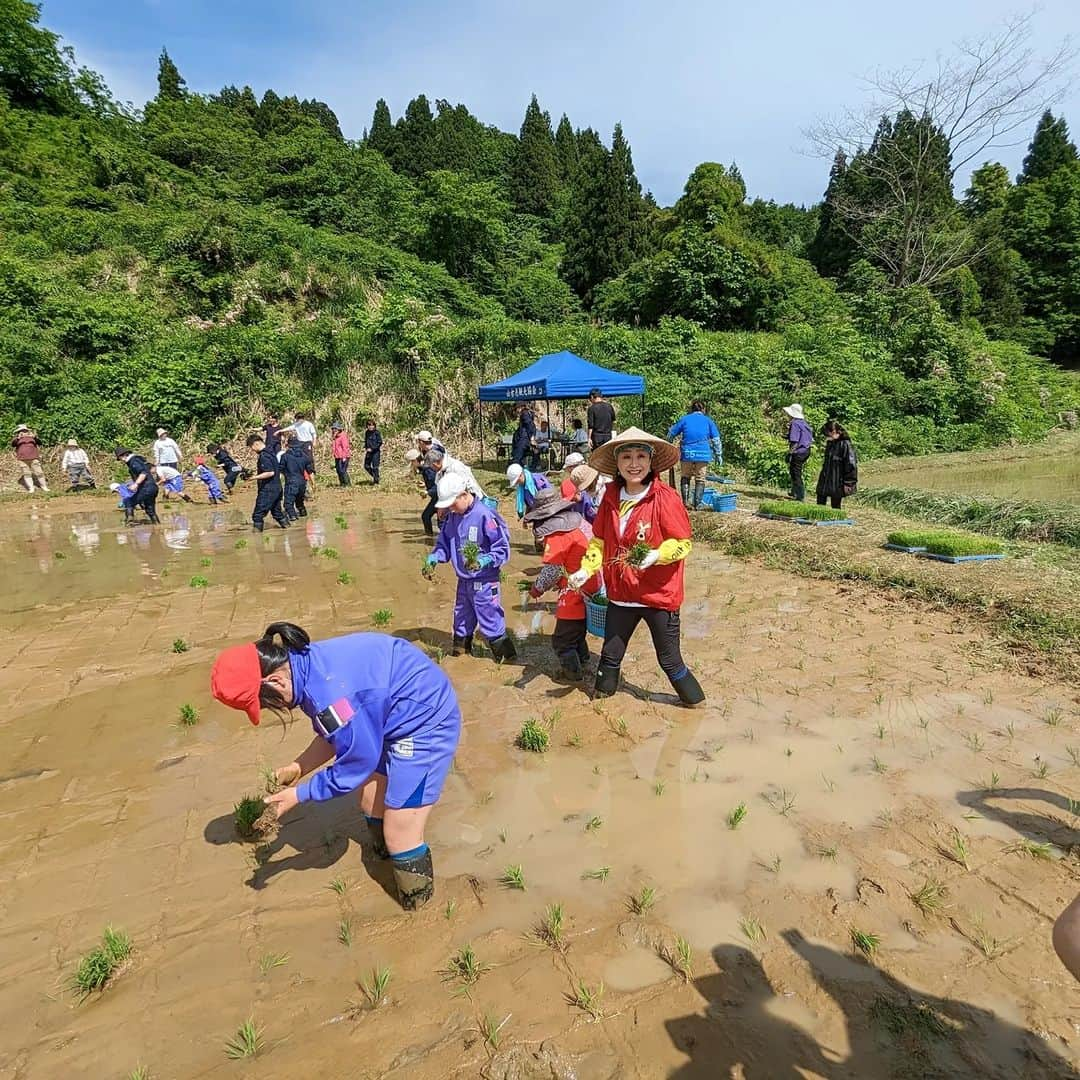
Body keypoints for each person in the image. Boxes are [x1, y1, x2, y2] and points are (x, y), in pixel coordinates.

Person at [210, 622, 461, 910]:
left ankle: (419, 906)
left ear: (275, 682)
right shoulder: (303, 667)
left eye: (266, 704)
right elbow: (337, 732)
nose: (272, 709)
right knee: (369, 803)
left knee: (399, 831)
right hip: (386, 713)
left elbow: (357, 761)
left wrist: (298, 795)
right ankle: (386, 858)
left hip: (425, 720)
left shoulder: (328, 693)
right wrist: (299, 766)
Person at [568, 428, 704, 706]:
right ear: (616, 463)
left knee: (669, 660)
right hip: (621, 595)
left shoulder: (665, 497)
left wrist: (657, 555)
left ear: (651, 461)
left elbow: (683, 543)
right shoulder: (610, 496)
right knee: (610, 655)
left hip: (658, 595)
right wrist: (586, 570)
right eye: (627, 457)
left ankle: (697, 706)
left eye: (641, 456)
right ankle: (601, 703)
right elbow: (599, 541)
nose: (634, 463)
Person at [422, 474, 516, 662]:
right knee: (461, 619)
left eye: (452, 503)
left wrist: (483, 561)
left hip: (485, 581)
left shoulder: (484, 515)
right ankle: (461, 656)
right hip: (464, 581)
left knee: (490, 620)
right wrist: (435, 557)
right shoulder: (453, 517)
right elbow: (445, 544)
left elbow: (502, 549)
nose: (450, 508)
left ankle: (506, 660)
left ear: (464, 495)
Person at [525, 488, 600, 682]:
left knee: (561, 641)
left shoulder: (558, 535)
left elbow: (552, 570)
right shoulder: (578, 522)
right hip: (591, 583)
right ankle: (584, 661)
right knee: (576, 632)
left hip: (575, 590)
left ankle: (572, 675)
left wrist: (537, 589)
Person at [668, 400, 723, 510]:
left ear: (691, 409)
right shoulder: (708, 421)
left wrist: (668, 446)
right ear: (704, 410)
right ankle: (697, 505)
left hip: (687, 453)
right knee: (700, 479)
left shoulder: (685, 419)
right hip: (703, 453)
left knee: (685, 476)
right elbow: (716, 440)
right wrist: (718, 454)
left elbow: (671, 434)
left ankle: (685, 503)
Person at [246, 432, 288, 531]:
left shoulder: (264, 456)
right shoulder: (271, 452)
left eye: (251, 447)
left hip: (268, 489)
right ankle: (288, 529)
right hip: (277, 488)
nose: (252, 450)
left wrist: (253, 478)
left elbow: (270, 472)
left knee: (258, 515)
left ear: (256, 444)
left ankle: (257, 541)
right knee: (277, 513)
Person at [815, 420, 858, 510]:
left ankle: (835, 522)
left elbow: (851, 465)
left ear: (834, 432)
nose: (826, 437)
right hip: (826, 478)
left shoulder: (845, 444)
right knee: (820, 501)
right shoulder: (830, 444)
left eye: (827, 434)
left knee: (835, 506)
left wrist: (849, 483)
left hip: (837, 480)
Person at [114, 447, 160, 524]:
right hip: (153, 487)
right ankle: (158, 527)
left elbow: (143, 473)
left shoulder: (133, 462)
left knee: (129, 502)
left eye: (120, 458)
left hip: (146, 488)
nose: (121, 460)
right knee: (150, 510)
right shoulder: (138, 460)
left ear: (125, 455)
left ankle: (129, 524)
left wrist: (136, 484)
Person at [406, 448, 439, 537]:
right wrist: (425, 484)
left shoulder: (428, 469)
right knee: (437, 520)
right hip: (437, 498)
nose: (412, 465)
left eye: (412, 462)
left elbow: (438, 486)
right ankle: (432, 537)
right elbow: (433, 482)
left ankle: (430, 537)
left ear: (415, 460)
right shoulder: (425, 468)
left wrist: (427, 492)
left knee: (427, 516)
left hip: (439, 498)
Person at [783, 404, 813, 502]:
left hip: (799, 451)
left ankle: (800, 496)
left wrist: (790, 453)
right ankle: (794, 491)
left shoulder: (795, 423)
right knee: (794, 470)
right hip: (806, 450)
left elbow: (795, 441)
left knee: (796, 473)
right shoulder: (803, 423)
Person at [279, 433, 308, 522]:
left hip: (291, 482)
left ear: (288, 445)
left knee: (288, 504)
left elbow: (280, 468)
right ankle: (303, 516)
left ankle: (293, 519)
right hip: (302, 482)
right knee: (300, 502)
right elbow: (308, 468)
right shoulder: (304, 456)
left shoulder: (285, 456)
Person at [11, 424, 48, 492]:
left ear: (27, 431)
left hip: (34, 457)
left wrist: (34, 437)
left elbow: (40, 443)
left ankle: (44, 486)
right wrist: (18, 438)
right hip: (22, 459)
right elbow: (13, 445)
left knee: (39, 472)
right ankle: (31, 488)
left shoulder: (32, 437)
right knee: (27, 474)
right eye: (21, 431)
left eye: (24, 431)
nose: (23, 432)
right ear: (18, 432)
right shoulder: (16, 439)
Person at [511, 402, 536, 467]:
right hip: (524, 438)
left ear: (520, 407)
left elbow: (529, 425)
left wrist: (532, 437)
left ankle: (514, 471)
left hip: (523, 439)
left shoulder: (524, 413)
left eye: (516, 409)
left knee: (517, 457)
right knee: (521, 457)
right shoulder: (529, 413)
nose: (516, 411)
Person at [329, 422, 350, 486]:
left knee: (342, 470)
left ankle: (347, 483)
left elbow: (345, 447)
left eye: (336, 429)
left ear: (339, 429)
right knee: (338, 470)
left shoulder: (343, 436)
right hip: (337, 456)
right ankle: (342, 483)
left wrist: (344, 457)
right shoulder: (335, 437)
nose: (334, 430)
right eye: (333, 429)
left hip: (343, 456)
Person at [362, 419, 382, 485]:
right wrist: (366, 447)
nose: (371, 427)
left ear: (374, 426)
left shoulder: (377, 432)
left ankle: (376, 481)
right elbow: (366, 441)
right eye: (369, 425)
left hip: (375, 452)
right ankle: (376, 477)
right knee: (366, 466)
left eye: (372, 425)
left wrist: (372, 448)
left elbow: (380, 442)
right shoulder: (367, 432)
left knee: (375, 467)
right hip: (369, 452)